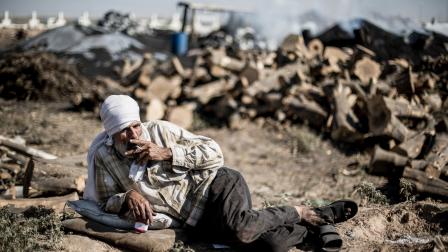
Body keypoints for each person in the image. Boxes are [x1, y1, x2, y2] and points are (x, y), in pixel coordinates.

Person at [84, 95, 358, 252]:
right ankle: (317, 224)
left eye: (135, 126)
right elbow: (105, 201)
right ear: (111, 132)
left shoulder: (159, 131)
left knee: (241, 229)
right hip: (195, 219)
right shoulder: (105, 157)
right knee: (271, 246)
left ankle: (299, 211)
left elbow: (214, 152)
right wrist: (127, 196)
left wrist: (167, 153)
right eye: (124, 130)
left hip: (217, 186)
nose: (133, 135)